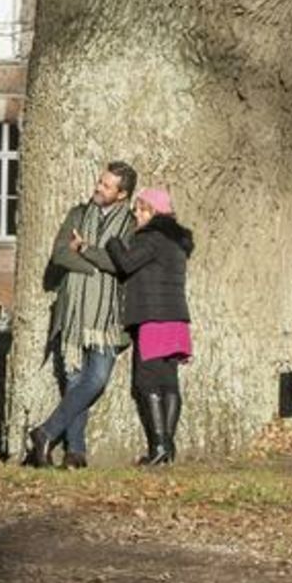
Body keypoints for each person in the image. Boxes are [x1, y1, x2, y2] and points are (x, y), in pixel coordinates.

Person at [25, 161, 137, 468]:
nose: (98, 188)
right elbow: (60, 254)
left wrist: (86, 250)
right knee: (74, 382)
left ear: (122, 194)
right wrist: (93, 269)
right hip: (73, 314)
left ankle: (45, 432)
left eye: (106, 185)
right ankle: (75, 452)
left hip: (107, 319)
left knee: (96, 380)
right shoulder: (78, 214)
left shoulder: (130, 225)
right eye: (100, 181)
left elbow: (122, 264)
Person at [79, 185, 191, 466]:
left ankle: (159, 447)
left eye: (141, 210)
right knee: (169, 382)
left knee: (146, 382)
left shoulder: (151, 237)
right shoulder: (176, 241)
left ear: (154, 212)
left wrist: (113, 242)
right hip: (176, 319)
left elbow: (127, 264)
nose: (136, 215)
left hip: (153, 318)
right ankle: (168, 448)